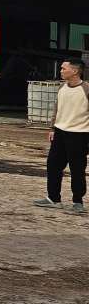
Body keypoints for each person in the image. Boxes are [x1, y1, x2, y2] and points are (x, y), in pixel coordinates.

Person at [34, 58, 89, 214]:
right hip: (60, 132)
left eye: (64, 68)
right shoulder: (62, 88)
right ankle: (53, 198)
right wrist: (53, 128)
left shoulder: (86, 89)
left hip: (79, 134)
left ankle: (78, 202)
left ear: (75, 71)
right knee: (53, 166)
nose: (61, 71)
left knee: (77, 169)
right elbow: (56, 109)